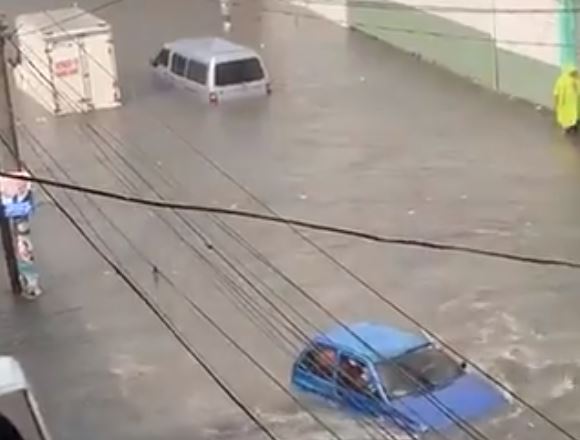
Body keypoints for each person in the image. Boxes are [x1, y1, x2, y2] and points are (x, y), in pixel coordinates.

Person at [553, 66, 580, 134]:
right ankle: (572, 126)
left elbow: (556, 93)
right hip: (572, 103)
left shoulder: (561, 80)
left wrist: (556, 103)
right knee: (572, 115)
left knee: (566, 117)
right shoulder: (575, 80)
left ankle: (568, 127)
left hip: (564, 103)